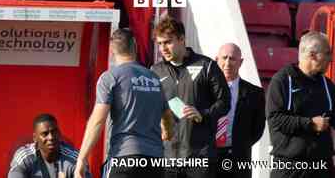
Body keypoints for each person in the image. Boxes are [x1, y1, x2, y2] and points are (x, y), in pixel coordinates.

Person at [74, 28, 174, 178]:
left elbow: (98, 121)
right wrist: (167, 132)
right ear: (135, 46)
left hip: (124, 157)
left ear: (111, 51)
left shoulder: (110, 77)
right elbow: (166, 114)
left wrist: (81, 159)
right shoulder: (154, 78)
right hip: (154, 161)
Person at [151, 16, 231, 178]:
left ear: (182, 39)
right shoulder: (155, 70)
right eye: (159, 44)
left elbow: (225, 102)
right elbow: (149, 108)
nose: (162, 48)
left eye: (167, 42)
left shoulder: (207, 66)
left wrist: (203, 113)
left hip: (200, 156)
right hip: (167, 157)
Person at [267, 31, 335, 178]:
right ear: (312, 55)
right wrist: (309, 123)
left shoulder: (327, 85)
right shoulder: (282, 80)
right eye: (327, 53)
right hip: (290, 168)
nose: (331, 58)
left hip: (322, 168)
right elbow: (275, 119)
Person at [214, 43, 265, 178]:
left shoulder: (255, 93)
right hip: (209, 158)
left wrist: (240, 145)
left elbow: (258, 129)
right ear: (216, 60)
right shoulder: (204, 91)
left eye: (232, 59)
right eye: (224, 58)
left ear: (240, 62)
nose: (227, 63)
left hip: (238, 161)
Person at [8, 113, 91, 178]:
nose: (51, 137)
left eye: (54, 132)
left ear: (59, 134)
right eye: (45, 134)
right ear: (35, 138)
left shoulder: (74, 159)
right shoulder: (24, 157)